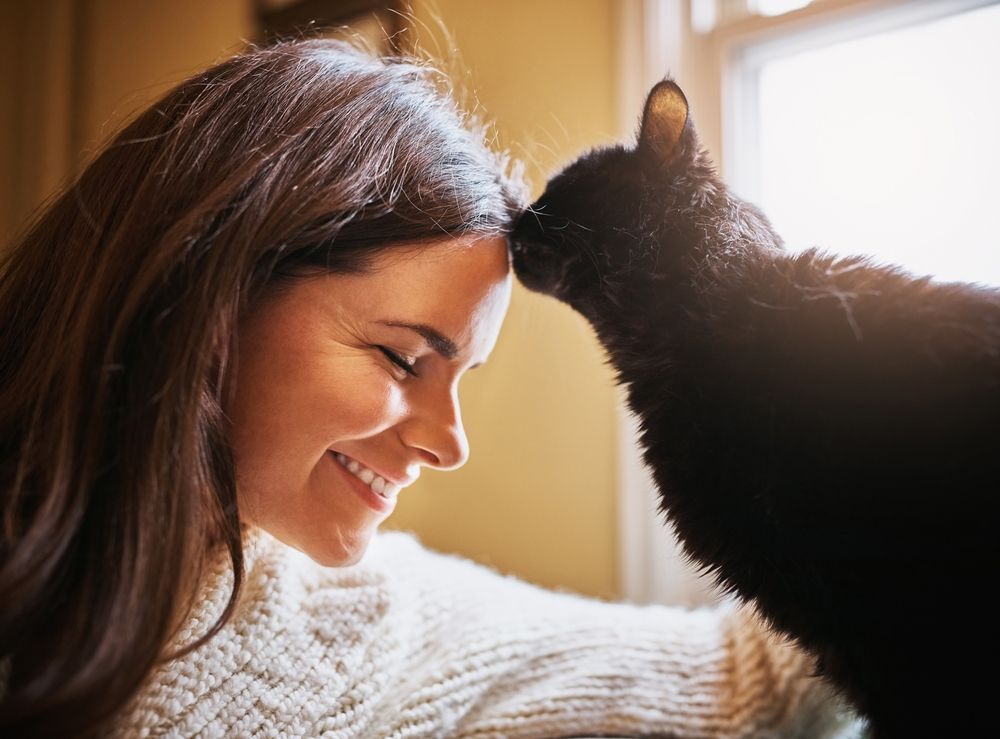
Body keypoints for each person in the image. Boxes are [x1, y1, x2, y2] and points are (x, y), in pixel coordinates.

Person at [0, 38, 861, 738]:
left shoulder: (375, 612)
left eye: (462, 377)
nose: (450, 445)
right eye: (404, 358)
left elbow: (746, 682)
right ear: (210, 293)